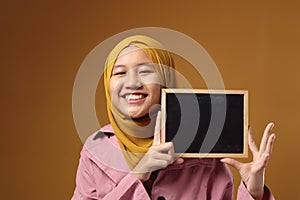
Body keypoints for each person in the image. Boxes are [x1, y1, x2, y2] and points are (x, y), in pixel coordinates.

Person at [72, 35, 276, 200]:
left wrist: (253, 192)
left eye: (145, 71)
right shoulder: (96, 150)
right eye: (120, 73)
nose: (132, 83)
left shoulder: (203, 147)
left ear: (165, 81)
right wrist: (139, 175)